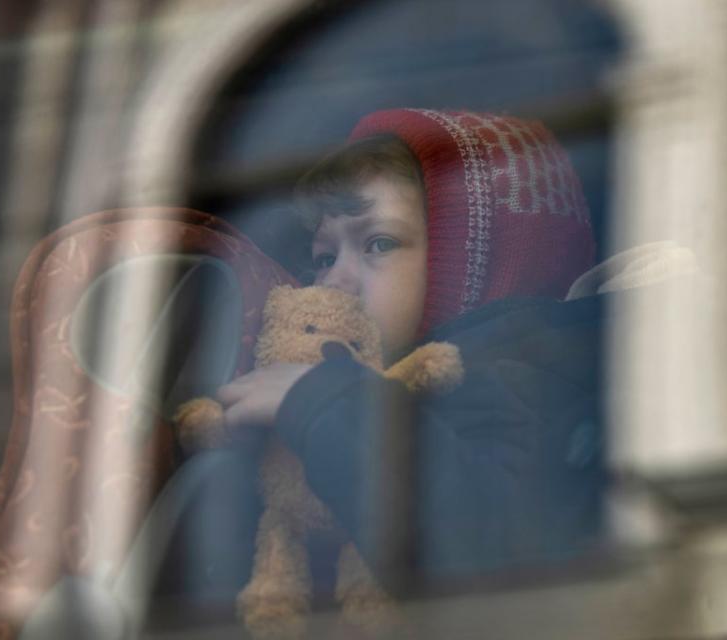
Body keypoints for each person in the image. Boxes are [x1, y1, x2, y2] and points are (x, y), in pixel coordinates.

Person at [140, 109, 606, 615]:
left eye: (378, 243)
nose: (333, 282)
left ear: (476, 261)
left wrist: (319, 401)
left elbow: (493, 556)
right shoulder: (367, 391)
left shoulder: (529, 379)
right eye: (323, 257)